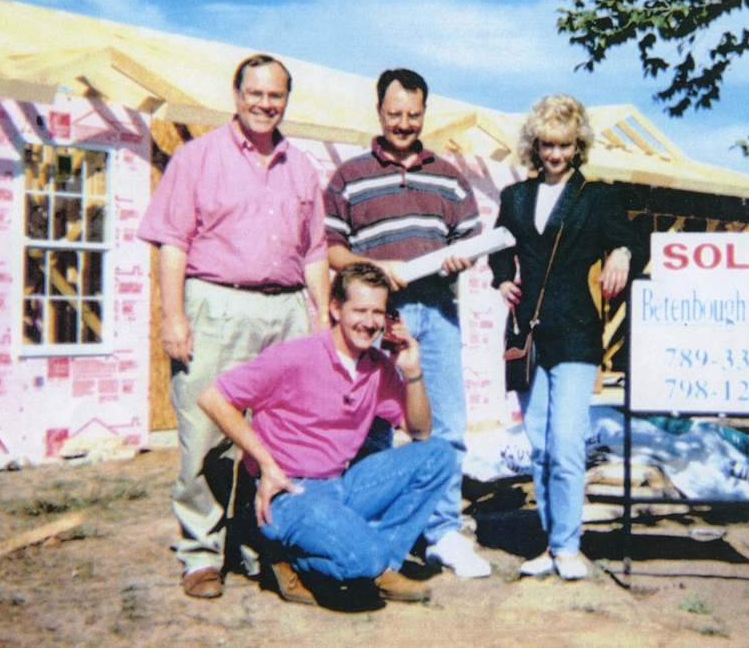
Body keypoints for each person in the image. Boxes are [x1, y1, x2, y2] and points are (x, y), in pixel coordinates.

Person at [136, 53, 330, 600]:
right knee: (206, 436)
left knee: (279, 436)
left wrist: (319, 316)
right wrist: (173, 316)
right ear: (236, 94)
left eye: (276, 95)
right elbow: (172, 243)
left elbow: (314, 250)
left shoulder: (302, 167)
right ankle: (201, 554)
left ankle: (261, 547)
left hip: (288, 310)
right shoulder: (197, 158)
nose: (265, 104)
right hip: (216, 307)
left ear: (286, 100)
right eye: (255, 93)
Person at [197, 263, 453, 605]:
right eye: (359, 310)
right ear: (335, 308)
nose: (370, 322)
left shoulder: (377, 367)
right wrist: (266, 463)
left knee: (439, 455)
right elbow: (213, 398)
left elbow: (421, 431)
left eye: (378, 312)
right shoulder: (296, 356)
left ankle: (379, 565)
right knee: (366, 556)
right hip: (290, 492)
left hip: (339, 485)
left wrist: (413, 371)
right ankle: (286, 554)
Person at [323, 68, 490, 578]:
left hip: (437, 313)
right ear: (378, 111)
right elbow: (332, 250)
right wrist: (373, 271)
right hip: (375, 318)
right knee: (371, 424)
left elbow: (471, 240)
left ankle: (442, 533)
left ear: (424, 113)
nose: (403, 123)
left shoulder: (449, 175)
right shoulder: (348, 176)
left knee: (444, 425)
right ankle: (372, 524)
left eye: (413, 115)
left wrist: (463, 257)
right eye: (394, 114)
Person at [488, 94, 646, 580]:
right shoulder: (514, 198)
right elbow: (498, 247)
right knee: (537, 444)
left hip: (577, 331)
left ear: (578, 146)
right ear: (534, 145)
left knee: (566, 443)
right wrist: (500, 278)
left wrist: (620, 252)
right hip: (526, 334)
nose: (555, 154)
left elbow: (631, 241)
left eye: (564, 145)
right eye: (547, 145)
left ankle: (569, 545)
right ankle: (550, 544)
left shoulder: (596, 196)